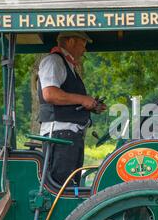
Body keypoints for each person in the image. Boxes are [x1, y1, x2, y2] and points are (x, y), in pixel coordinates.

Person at [37, 31, 107, 186]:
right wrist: (83, 99)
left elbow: (65, 98)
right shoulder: (54, 61)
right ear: (70, 42)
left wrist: (91, 105)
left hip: (69, 135)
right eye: (83, 43)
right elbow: (50, 94)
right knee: (62, 185)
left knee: (70, 185)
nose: (85, 49)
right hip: (60, 135)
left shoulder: (66, 65)